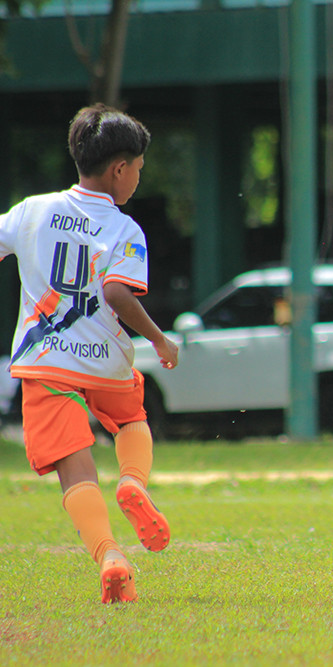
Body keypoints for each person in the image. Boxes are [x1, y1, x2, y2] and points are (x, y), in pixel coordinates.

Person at [0, 104, 179, 603]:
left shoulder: (32, 211)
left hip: (46, 361)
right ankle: (134, 482)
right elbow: (120, 296)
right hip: (106, 360)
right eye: (138, 170)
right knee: (132, 419)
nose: (137, 180)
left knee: (73, 467)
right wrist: (159, 339)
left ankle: (110, 556)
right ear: (119, 169)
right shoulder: (125, 230)